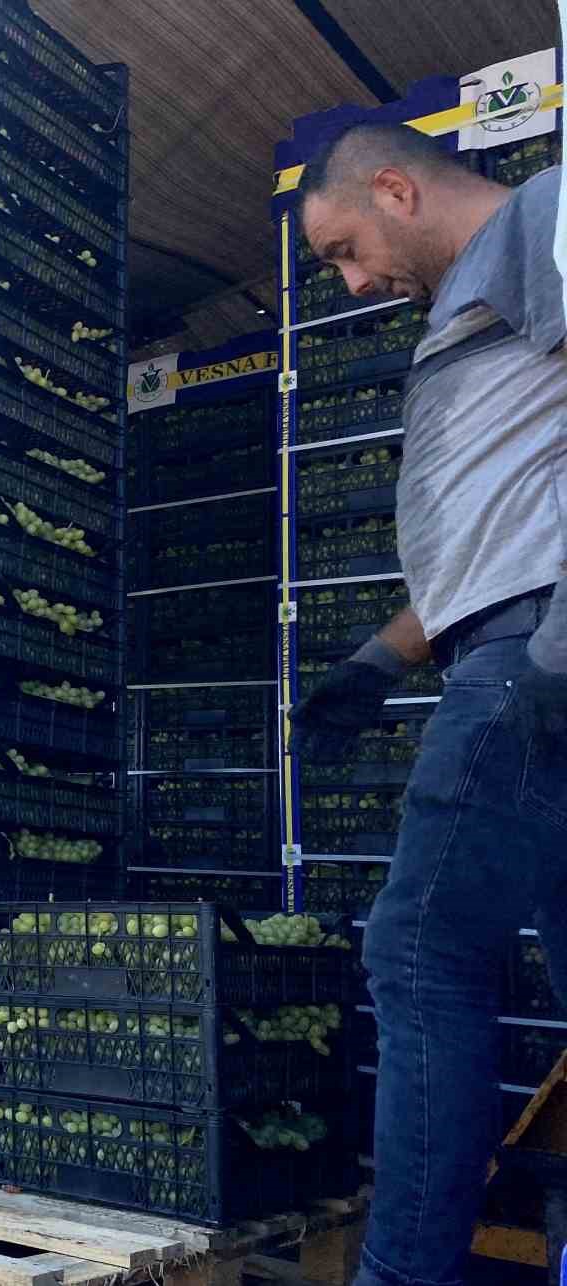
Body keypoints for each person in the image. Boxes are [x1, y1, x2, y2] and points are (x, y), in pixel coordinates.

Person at [293, 124, 567, 1286]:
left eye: (345, 248)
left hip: (531, 656)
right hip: (510, 645)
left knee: (417, 946)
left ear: (395, 188)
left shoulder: (543, 216)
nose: (352, 282)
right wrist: (375, 659)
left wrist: (556, 639)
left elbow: (523, 569)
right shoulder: (473, 305)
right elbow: (500, 526)